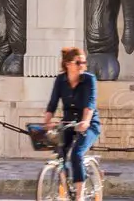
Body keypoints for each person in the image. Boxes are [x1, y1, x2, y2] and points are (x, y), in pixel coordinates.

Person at [43, 47, 102, 201]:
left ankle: (79, 196)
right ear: (68, 64)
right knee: (60, 152)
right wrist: (47, 122)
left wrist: (86, 121)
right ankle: (65, 186)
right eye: (79, 62)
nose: (83, 65)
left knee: (76, 154)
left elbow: (90, 103)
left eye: (84, 62)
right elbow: (52, 103)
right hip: (68, 123)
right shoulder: (60, 80)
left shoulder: (89, 79)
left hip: (89, 124)